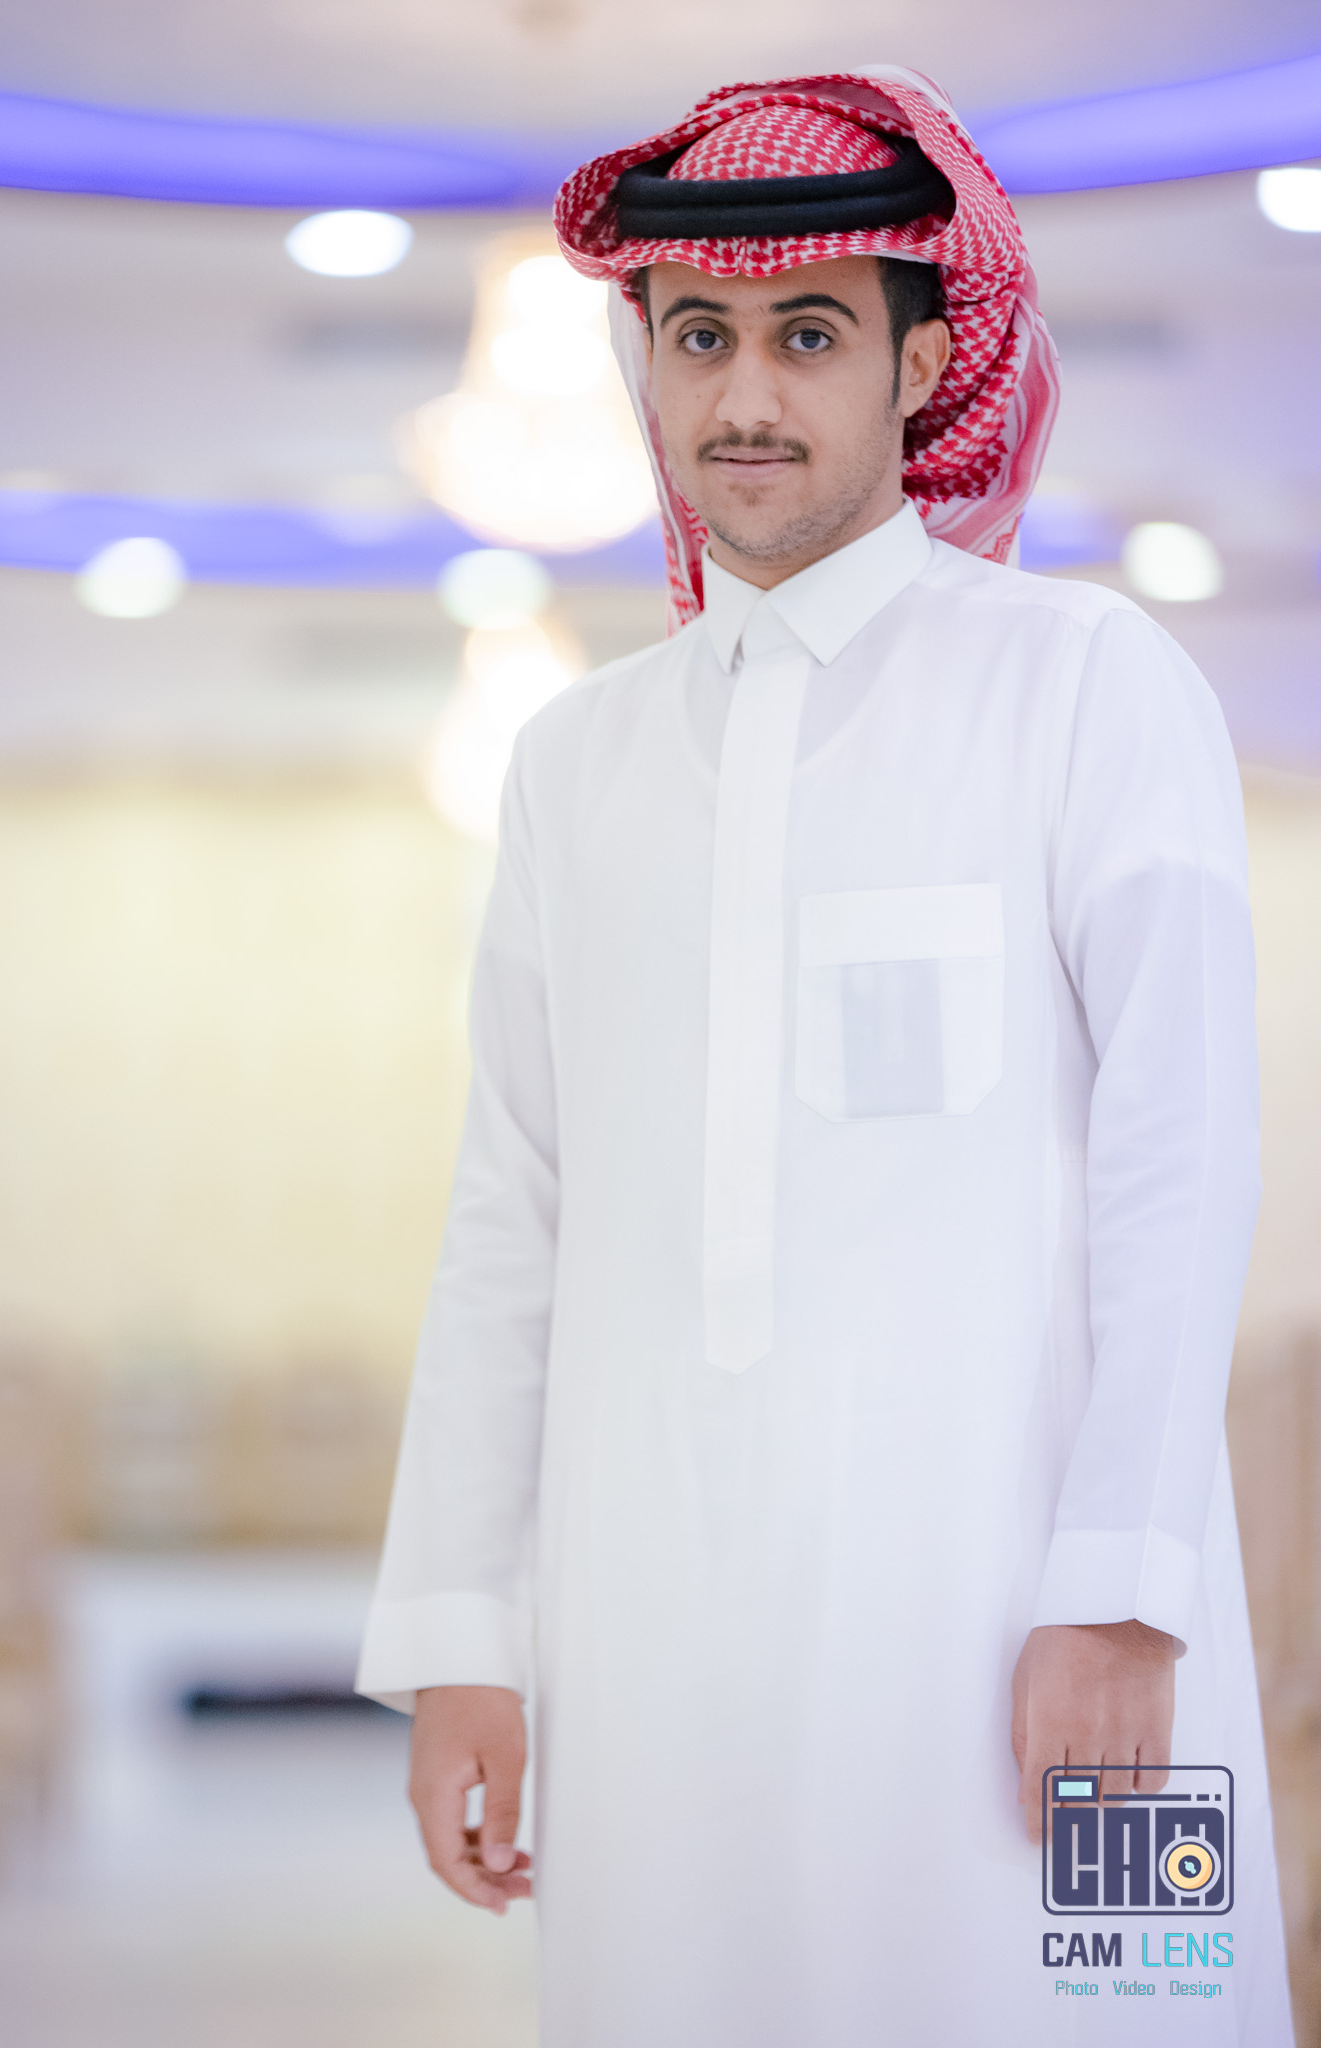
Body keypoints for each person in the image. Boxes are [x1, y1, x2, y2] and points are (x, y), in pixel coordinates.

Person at [359, 66, 1294, 2045]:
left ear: (920, 361)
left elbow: (1178, 1156)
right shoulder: (573, 763)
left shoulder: (1081, 684)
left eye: (805, 335)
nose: (743, 396)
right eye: (696, 338)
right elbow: (510, 1215)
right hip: (649, 1643)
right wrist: (462, 1637)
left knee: (1102, 2009)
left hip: (1035, 1639)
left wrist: (1119, 1594)